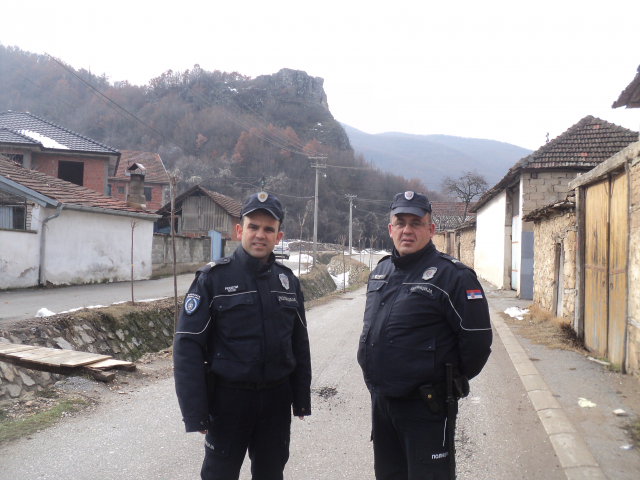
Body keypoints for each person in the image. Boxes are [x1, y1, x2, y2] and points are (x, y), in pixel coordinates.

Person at [173, 191, 312, 480]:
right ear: (239, 231)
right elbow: (187, 346)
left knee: (271, 473)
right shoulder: (212, 279)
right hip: (229, 402)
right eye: (253, 226)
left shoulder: (288, 282)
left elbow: (299, 342)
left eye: (268, 229)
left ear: (278, 235)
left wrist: (300, 398)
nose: (260, 235)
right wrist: (195, 410)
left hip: (276, 401)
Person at [357, 191, 492, 480]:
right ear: (390, 229)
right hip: (383, 404)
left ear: (431, 230)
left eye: (416, 223)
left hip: (426, 408)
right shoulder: (380, 272)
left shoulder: (454, 276)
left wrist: (446, 384)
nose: (407, 230)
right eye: (400, 222)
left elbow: (477, 344)